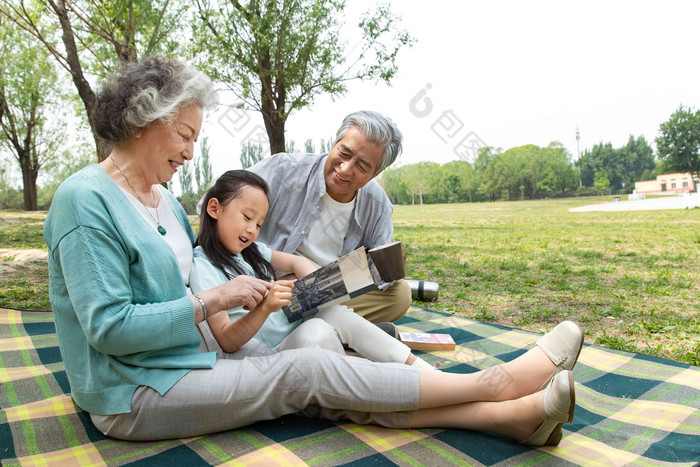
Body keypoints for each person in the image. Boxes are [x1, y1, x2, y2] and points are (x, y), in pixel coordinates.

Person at [43, 55, 584, 445]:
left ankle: (507, 416)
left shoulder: (160, 199)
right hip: (134, 392)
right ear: (143, 120)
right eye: (185, 135)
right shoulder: (84, 200)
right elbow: (111, 329)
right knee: (307, 371)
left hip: (197, 355)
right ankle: (493, 385)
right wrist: (218, 300)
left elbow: (197, 269)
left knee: (321, 365)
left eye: (194, 138)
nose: (190, 151)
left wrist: (269, 285)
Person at [190, 169, 437, 370]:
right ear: (214, 209)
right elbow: (226, 340)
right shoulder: (204, 267)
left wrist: (315, 284)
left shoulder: (252, 251)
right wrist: (266, 307)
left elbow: (295, 262)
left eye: (259, 224)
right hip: (264, 354)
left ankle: (423, 372)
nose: (253, 230)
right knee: (321, 333)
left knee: (332, 316)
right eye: (247, 217)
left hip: (294, 330)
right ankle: (390, 377)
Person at [246, 111, 411, 325]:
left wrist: (386, 265)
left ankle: (306, 329)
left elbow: (377, 272)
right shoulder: (283, 170)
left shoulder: (377, 204)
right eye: (344, 153)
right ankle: (336, 333)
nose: (345, 169)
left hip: (326, 293)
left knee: (399, 295)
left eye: (362, 166)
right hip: (266, 285)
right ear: (335, 143)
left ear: (377, 172)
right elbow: (219, 205)